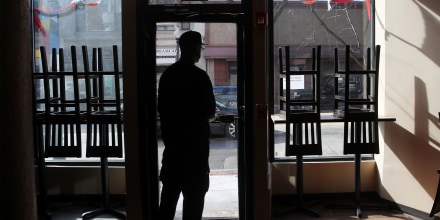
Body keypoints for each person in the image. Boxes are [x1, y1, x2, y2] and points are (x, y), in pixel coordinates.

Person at [157, 31, 216, 220]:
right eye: (199, 47)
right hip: (196, 154)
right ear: (194, 49)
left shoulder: (167, 76)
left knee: (167, 204)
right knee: (193, 206)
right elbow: (209, 112)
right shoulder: (200, 77)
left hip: (173, 151)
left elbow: (161, 109)